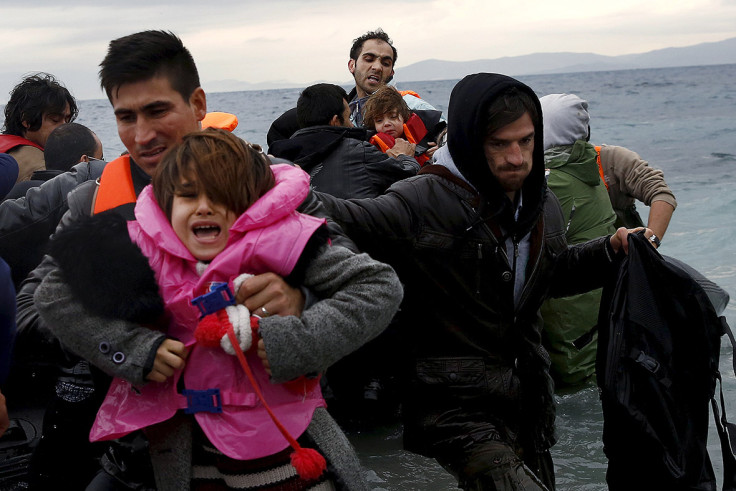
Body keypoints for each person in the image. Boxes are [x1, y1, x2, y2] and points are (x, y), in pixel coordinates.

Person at [13, 30, 349, 489]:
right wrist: (122, 337)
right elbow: (30, 309)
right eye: (125, 117)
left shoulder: (268, 185)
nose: (142, 135)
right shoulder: (91, 205)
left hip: (276, 438)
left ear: (197, 103)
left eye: (157, 111)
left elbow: (355, 287)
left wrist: (300, 301)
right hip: (140, 451)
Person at [316, 72, 654, 490]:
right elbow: (342, 216)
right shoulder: (422, 198)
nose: (517, 158)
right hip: (453, 407)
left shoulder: (541, 202)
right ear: (469, 140)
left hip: (527, 401)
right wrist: (270, 180)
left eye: (526, 141)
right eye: (500, 144)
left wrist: (610, 250)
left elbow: (547, 277)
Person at [38, 128, 402, 490]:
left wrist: (298, 338)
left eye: (222, 196)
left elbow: (378, 286)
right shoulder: (137, 246)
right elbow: (53, 294)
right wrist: (132, 349)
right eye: (187, 195)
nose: (204, 206)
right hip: (187, 459)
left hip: (290, 455)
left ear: (250, 202)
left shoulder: (285, 238)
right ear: (165, 202)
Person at [536, 93, 617, 388]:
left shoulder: (552, 181)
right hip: (599, 292)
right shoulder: (586, 166)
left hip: (568, 303)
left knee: (572, 377)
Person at [541, 92, 677, 241]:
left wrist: (650, 243)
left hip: (623, 255)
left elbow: (662, 194)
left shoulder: (610, 160)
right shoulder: (536, 172)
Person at [269, 83, 419, 199]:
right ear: (335, 121)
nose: (353, 125)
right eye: (348, 118)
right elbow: (408, 176)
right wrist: (404, 157)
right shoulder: (359, 151)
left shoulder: (278, 163)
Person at [346, 29, 439, 127]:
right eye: (369, 59)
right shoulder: (343, 113)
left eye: (386, 63)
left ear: (391, 72)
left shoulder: (413, 106)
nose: (377, 67)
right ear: (352, 65)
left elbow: (448, 136)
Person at [0, 73, 77, 182]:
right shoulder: (38, 167)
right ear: (26, 120)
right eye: (55, 119)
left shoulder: (4, 148)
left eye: (67, 120)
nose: (65, 127)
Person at [5, 122, 104, 200]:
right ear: (84, 162)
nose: (103, 164)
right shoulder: (77, 202)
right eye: (101, 160)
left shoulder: (17, 191)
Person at [362, 84, 446, 165]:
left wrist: (441, 149)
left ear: (404, 117)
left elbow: (450, 137)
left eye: (393, 117)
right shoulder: (370, 149)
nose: (386, 123)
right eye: (379, 120)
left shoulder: (428, 126)